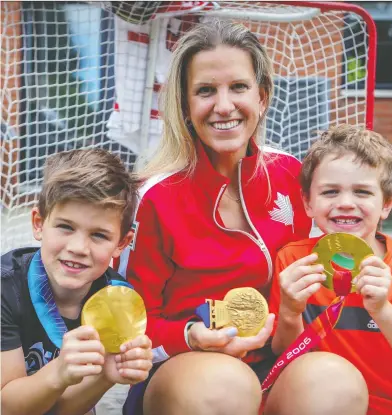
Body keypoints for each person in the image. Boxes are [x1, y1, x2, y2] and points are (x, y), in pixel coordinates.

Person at [116, 19, 363, 415]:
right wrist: (193, 336)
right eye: (206, 91)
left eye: (239, 87)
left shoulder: (290, 173)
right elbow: (129, 320)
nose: (224, 106)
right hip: (185, 368)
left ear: (262, 97)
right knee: (226, 387)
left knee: (337, 380)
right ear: (184, 104)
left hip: (274, 360)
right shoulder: (153, 198)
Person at [269, 124, 392, 415]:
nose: (345, 204)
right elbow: (285, 356)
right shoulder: (294, 261)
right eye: (330, 191)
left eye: (362, 192)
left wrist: (383, 310)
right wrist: (289, 311)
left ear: (387, 203)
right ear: (307, 202)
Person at [1, 148, 154, 415]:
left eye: (98, 235)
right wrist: (58, 374)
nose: (79, 247)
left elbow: (62, 411)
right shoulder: (5, 289)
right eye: (66, 227)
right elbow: (7, 407)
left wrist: (107, 375)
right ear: (38, 223)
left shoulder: (118, 302)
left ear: (122, 243)